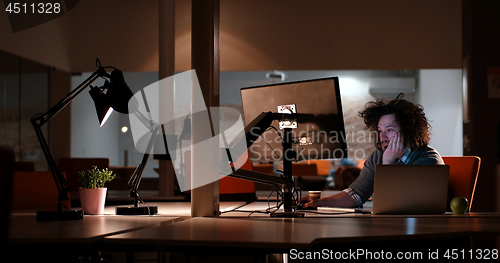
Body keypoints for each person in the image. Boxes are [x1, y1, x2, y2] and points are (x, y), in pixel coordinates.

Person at [300, 93, 444, 209]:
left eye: (389, 130)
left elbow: (396, 204)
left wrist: (388, 163)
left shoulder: (428, 161)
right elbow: (356, 194)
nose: (382, 136)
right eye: (380, 130)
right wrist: (319, 202)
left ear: (408, 131)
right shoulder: (378, 155)